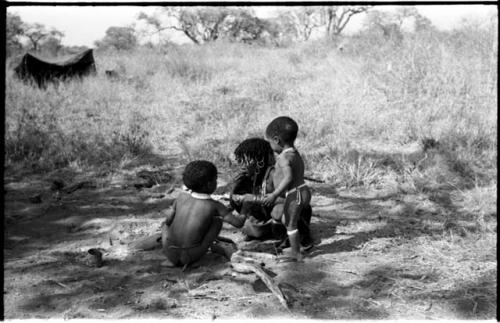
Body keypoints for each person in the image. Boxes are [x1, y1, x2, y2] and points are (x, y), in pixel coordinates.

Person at [160, 160, 246, 268]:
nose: (217, 183)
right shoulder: (215, 206)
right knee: (217, 221)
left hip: (170, 252)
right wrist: (246, 208)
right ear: (209, 184)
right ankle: (199, 254)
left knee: (164, 225)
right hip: (190, 256)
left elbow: (168, 221)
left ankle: (173, 260)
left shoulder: (181, 197)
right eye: (215, 180)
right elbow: (238, 223)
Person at [263, 116, 312, 262]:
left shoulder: (283, 158)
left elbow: (289, 178)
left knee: (291, 225)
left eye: (270, 142)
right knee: (287, 218)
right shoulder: (295, 154)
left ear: (277, 140)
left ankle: (296, 253)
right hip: (303, 190)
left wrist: (274, 194)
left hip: (294, 194)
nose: (270, 146)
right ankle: (301, 241)